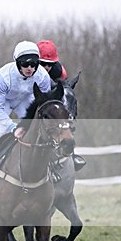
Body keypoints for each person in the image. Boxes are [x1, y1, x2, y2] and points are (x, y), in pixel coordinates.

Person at [0, 41, 54, 185]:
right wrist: (12, 128)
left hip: (26, 100)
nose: (30, 68)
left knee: (36, 129)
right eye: (25, 64)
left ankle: (51, 166)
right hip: (5, 102)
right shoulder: (3, 77)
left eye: (34, 64)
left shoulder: (42, 76)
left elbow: (43, 103)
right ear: (17, 62)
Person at [38, 39, 86, 172]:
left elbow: (62, 93)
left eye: (50, 64)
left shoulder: (59, 72)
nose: (47, 67)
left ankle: (71, 153)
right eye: (43, 64)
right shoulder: (29, 70)